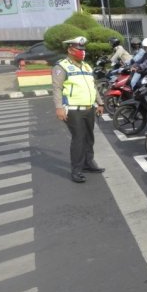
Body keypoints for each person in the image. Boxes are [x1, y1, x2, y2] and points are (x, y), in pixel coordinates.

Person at [52, 36, 105, 183]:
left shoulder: (86, 66)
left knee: (89, 137)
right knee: (79, 139)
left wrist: (100, 103)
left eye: (83, 50)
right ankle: (76, 170)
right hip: (73, 109)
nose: (82, 52)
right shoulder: (61, 66)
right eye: (79, 50)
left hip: (89, 108)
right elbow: (56, 88)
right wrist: (59, 107)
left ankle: (88, 163)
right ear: (70, 50)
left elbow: (93, 86)